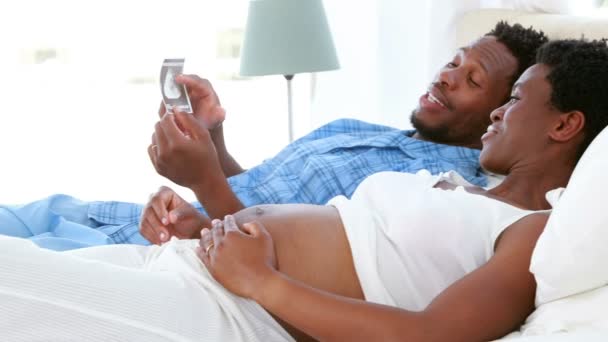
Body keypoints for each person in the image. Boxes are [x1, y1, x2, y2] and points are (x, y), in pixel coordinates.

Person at [2, 38, 608, 341]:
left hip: (229, 313)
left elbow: (430, 337)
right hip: (186, 260)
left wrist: (262, 280)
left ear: (565, 124)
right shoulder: (454, 187)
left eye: (513, 99)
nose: (499, 112)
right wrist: (206, 223)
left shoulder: (534, 233)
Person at [0, 22, 547, 251]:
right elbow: (257, 189)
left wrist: (203, 179)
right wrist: (214, 140)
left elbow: (279, 248)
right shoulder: (363, 128)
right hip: (136, 216)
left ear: (505, 111)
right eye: (452, 61)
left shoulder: (441, 189)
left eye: (472, 79)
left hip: (184, 249)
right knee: (29, 211)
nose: (445, 75)